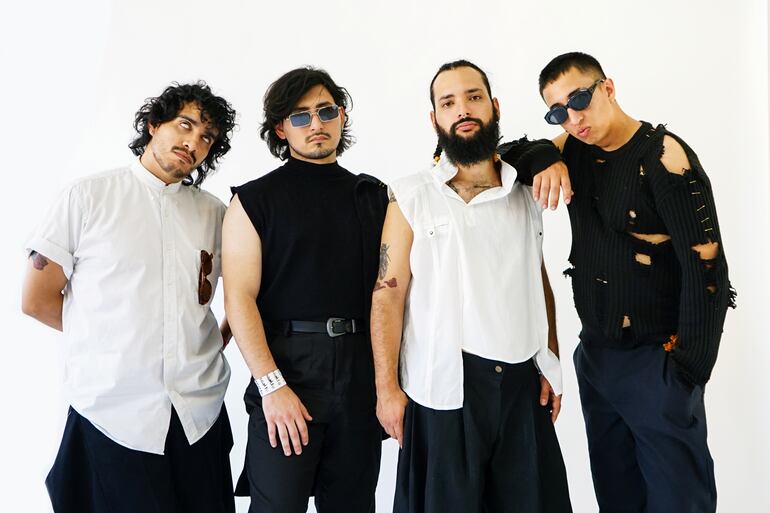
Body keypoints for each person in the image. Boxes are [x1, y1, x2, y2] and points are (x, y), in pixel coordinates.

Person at [502, 51, 736, 513]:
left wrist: (686, 374)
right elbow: (506, 154)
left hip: (658, 362)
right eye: (557, 112)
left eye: (579, 100)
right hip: (597, 359)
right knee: (617, 499)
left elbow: (707, 268)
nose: (573, 118)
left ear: (608, 88)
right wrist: (546, 155)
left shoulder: (665, 156)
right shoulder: (571, 150)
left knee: (679, 502)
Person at [22, 81, 237, 513]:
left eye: (206, 137)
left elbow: (243, 297)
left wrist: (209, 345)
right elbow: (36, 299)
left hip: (198, 414)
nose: (193, 142)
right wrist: (107, 338)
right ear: (154, 124)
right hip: (113, 413)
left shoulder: (216, 214)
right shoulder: (88, 197)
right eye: (185, 125)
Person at [371, 59, 572, 513]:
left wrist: (551, 360)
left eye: (473, 97)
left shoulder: (525, 190)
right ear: (434, 119)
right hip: (442, 385)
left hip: (521, 384)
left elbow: (537, 278)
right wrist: (386, 389)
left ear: (494, 106)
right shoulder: (411, 195)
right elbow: (387, 294)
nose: (462, 109)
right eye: (448, 102)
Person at [223, 67, 388, 513]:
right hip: (287, 369)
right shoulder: (253, 200)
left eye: (326, 111)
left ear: (341, 116)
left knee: (354, 506)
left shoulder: (374, 196)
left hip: (359, 372)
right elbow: (238, 298)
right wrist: (272, 386)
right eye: (300, 116)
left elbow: (394, 293)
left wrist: (388, 383)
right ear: (281, 128)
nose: (316, 124)